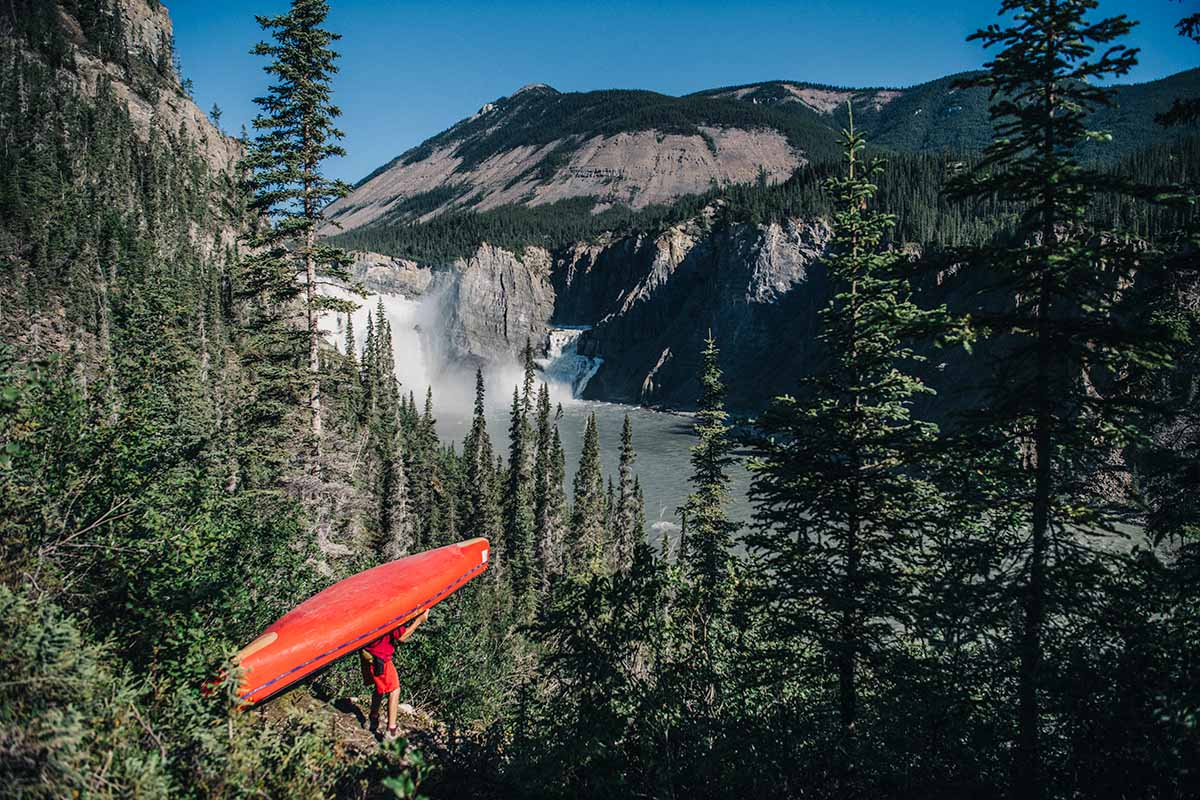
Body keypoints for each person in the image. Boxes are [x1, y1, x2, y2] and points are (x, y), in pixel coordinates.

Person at [361, 609, 429, 740]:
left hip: (368, 654)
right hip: (380, 658)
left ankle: (373, 719)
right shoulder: (393, 615)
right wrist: (418, 621)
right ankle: (391, 731)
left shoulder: (377, 611)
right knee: (395, 690)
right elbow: (402, 637)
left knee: (380, 688)